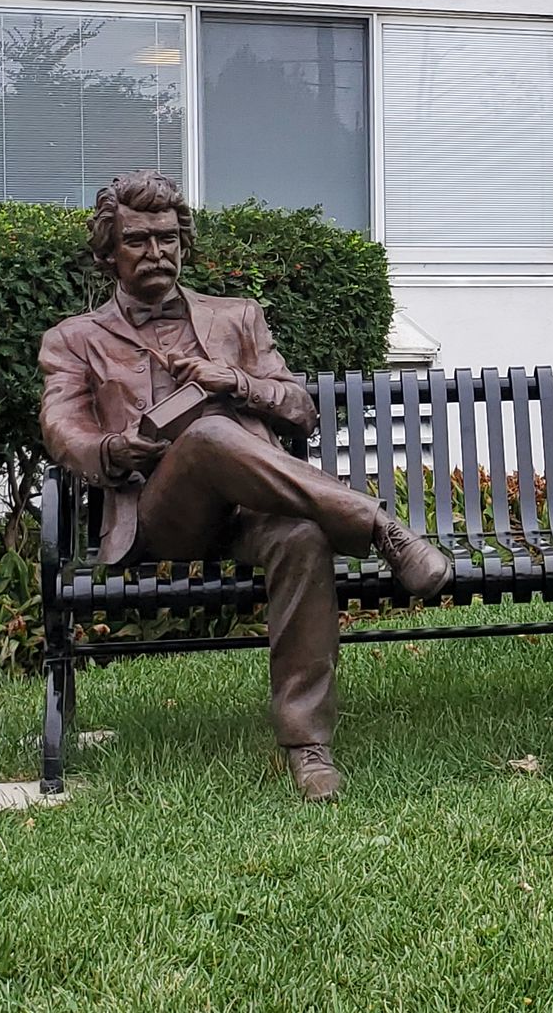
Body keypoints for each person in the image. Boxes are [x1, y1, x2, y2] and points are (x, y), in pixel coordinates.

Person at [37, 169, 448, 802]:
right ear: (107, 253)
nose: (158, 254)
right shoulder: (76, 339)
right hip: (162, 515)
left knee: (305, 536)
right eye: (139, 241)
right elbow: (63, 428)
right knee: (205, 438)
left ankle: (308, 748)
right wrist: (116, 448)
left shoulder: (237, 318)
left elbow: (299, 408)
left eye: (169, 240)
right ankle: (375, 524)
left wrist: (234, 381)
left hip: (255, 507)